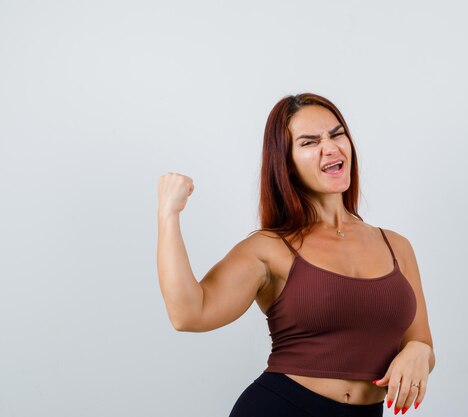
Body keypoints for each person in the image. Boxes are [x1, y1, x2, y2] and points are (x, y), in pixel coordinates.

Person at [157, 93, 435, 417]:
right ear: (286, 164)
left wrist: (418, 351)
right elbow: (189, 313)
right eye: (309, 142)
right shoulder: (269, 248)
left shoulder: (396, 246)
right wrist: (168, 215)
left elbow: (422, 344)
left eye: (336, 134)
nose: (330, 148)